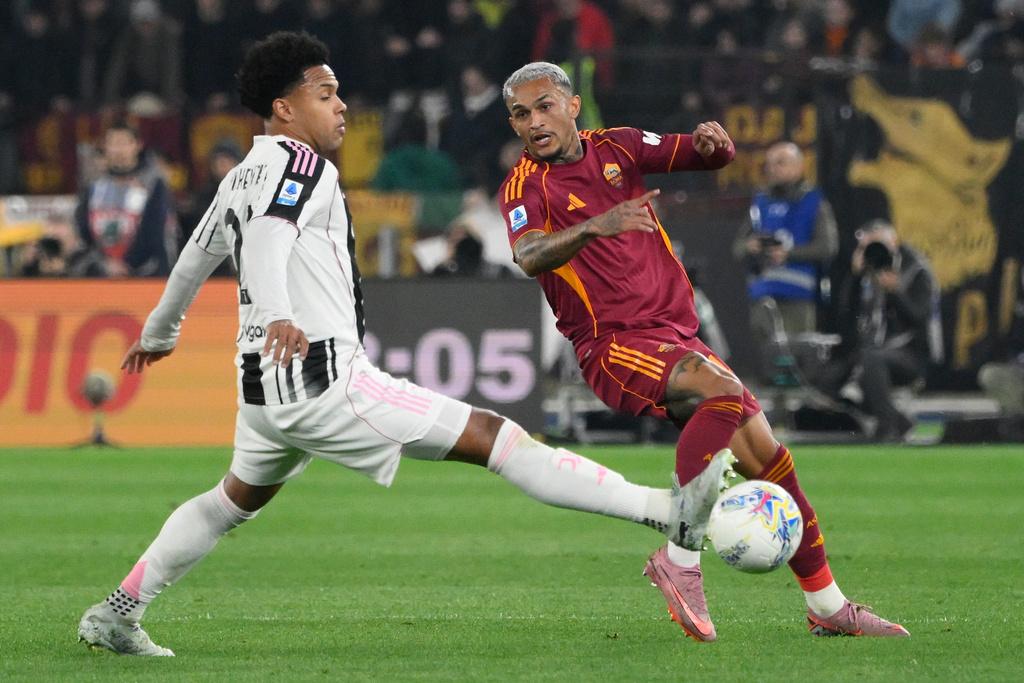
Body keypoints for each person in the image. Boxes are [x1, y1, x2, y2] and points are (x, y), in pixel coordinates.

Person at [76, 31, 732, 657]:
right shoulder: (300, 163)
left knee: (231, 499)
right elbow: (272, 236)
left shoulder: (245, 171)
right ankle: (667, 511)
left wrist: (160, 331)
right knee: (500, 440)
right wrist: (277, 311)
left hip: (263, 384)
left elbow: (197, 252)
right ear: (285, 107)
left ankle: (118, 609)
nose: (341, 106)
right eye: (325, 93)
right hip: (321, 375)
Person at [499, 61, 909, 642]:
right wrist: (599, 225)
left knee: (770, 460)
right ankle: (681, 560)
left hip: (675, 335)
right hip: (615, 344)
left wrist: (715, 144)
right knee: (722, 392)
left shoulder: (616, 145)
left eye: (543, 106)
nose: (533, 122)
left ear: (570, 104)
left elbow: (698, 155)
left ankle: (829, 606)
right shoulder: (523, 187)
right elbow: (531, 255)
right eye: (520, 114)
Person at [813, 219, 940, 443]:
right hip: (869, 353)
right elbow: (844, 321)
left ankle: (887, 428)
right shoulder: (866, 276)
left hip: (912, 353)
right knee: (825, 381)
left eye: (878, 245)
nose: (873, 253)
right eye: (865, 247)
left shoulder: (915, 270)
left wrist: (895, 292)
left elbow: (920, 319)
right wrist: (854, 278)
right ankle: (898, 420)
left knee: (872, 362)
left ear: (894, 242)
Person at [732, 141, 839, 384]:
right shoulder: (760, 204)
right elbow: (737, 248)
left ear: (798, 167)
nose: (773, 169)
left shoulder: (814, 202)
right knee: (769, 365)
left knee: (800, 362)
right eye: (769, 164)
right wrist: (751, 246)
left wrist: (789, 254)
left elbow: (828, 246)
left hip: (798, 297)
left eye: (780, 162)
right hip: (764, 296)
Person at [74, 119, 177, 277]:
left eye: (123, 143)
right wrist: (104, 263)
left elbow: (154, 228)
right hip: (102, 271)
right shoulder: (92, 183)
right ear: (104, 146)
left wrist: (128, 264)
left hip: (149, 271)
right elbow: (83, 226)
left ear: (137, 145)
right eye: (113, 143)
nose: (118, 150)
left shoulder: (153, 181)